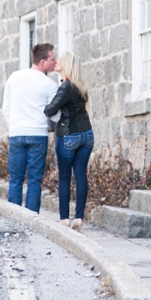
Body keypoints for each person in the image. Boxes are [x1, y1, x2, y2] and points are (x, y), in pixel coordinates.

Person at [1, 43, 58, 213]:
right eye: (52, 59)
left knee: (15, 179)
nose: (55, 62)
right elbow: (55, 115)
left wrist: (14, 125)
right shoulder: (50, 84)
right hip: (38, 135)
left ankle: (14, 216)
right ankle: (31, 218)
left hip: (17, 134)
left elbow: (6, 107)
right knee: (34, 180)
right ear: (42, 62)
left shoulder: (14, 77)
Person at [44, 51, 94, 232]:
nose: (57, 61)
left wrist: (47, 106)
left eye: (60, 60)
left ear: (67, 65)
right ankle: (79, 218)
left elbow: (49, 110)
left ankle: (65, 219)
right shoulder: (80, 86)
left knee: (65, 176)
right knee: (80, 174)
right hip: (87, 135)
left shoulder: (66, 87)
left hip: (69, 136)